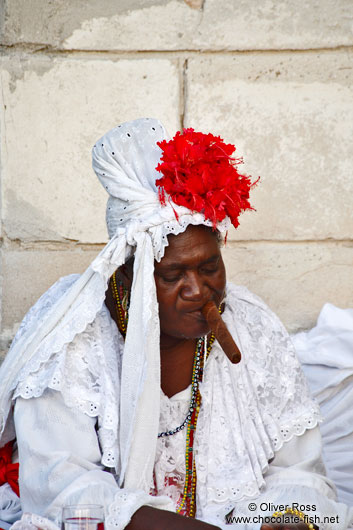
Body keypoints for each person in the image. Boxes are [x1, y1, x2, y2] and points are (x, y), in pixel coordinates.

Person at [0, 118, 352, 530]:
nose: (198, 290)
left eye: (209, 267)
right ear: (127, 276)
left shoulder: (252, 325)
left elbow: (301, 475)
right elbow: (67, 492)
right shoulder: (74, 332)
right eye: (172, 276)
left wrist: (280, 519)